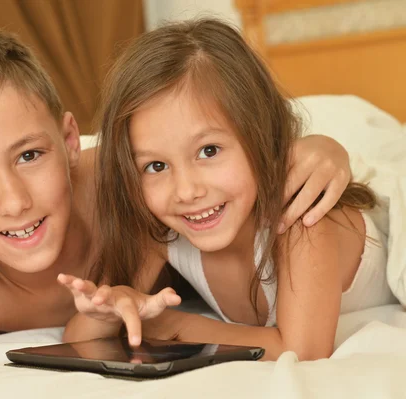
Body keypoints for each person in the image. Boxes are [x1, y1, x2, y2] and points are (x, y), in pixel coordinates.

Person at [0, 29, 353, 382]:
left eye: (29, 155)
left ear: (72, 141)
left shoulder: (127, 176)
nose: (13, 201)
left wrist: (318, 148)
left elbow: (225, 149)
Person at [58, 18, 398, 361]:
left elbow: (303, 350)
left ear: (259, 134)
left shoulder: (301, 218)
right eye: (156, 166)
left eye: (209, 151)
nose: (186, 191)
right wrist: (114, 307)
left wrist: (168, 325)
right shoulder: (161, 230)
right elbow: (78, 336)